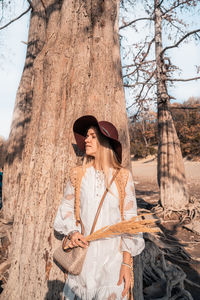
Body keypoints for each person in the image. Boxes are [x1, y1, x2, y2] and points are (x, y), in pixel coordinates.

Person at [54, 115, 145, 300]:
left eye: (93, 136)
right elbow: (66, 209)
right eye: (86, 136)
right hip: (83, 262)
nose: (86, 140)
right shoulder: (78, 174)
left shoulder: (123, 177)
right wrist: (72, 232)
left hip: (112, 263)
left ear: (105, 142)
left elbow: (130, 223)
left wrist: (126, 265)